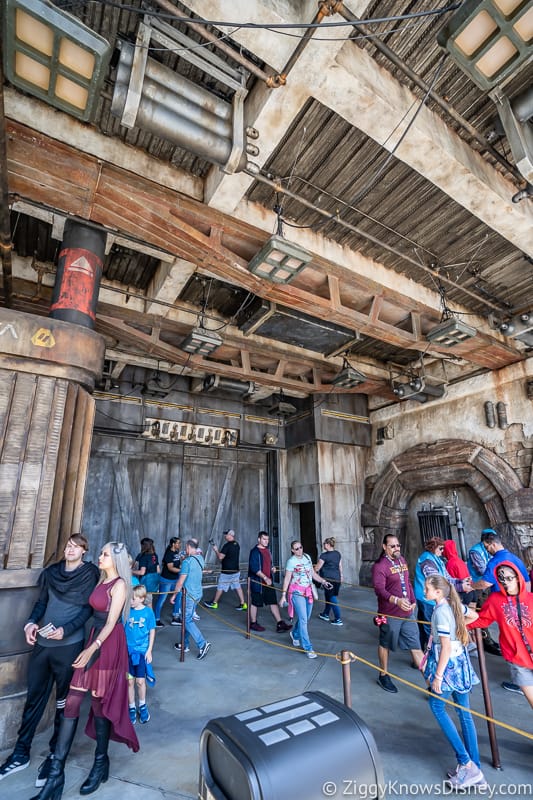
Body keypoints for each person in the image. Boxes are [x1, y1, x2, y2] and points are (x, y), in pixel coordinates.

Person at [33, 541, 139, 800]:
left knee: (100, 705)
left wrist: (91, 649)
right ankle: (56, 775)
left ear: (116, 559)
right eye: (100, 553)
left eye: (104, 554)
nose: (100, 557)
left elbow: (113, 623)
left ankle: (100, 762)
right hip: (93, 638)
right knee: (72, 703)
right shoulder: (100, 580)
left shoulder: (120, 585)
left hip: (108, 644)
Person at [0, 536, 99, 787]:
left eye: (75, 547)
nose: (69, 549)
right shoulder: (52, 572)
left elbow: (87, 609)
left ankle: (55, 756)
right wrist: (31, 622)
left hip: (68, 646)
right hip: (43, 645)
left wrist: (66, 629)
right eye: (67, 545)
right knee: (34, 698)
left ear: (84, 552)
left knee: (63, 704)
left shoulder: (89, 574)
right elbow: (42, 602)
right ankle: (20, 753)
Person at [423, 575, 486, 790]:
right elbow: (474, 615)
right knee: (464, 713)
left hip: (448, 665)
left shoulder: (441, 611)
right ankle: (474, 769)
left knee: (436, 705)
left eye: (427, 588)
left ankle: (465, 761)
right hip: (462, 662)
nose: (424, 591)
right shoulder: (454, 604)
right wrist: (460, 629)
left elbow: (445, 648)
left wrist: (438, 677)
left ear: (438, 592)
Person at [468, 562, 533, 710]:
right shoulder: (495, 600)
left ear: (517, 577)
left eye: (509, 578)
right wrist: (456, 625)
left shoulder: (531, 599)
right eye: (501, 579)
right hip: (517, 660)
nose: (505, 583)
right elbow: (482, 619)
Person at [371, 534, 423, 693]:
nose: (396, 548)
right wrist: (396, 600)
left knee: (416, 646)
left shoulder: (402, 561)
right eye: (392, 546)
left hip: (408, 612)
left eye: (398, 545)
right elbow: (379, 590)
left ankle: (432, 685)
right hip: (390, 613)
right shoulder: (380, 566)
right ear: (384, 547)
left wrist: (413, 600)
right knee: (385, 643)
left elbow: (407, 582)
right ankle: (383, 674)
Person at [414, 538, 471, 649]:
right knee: (429, 629)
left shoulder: (437, 559)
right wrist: (460, 586)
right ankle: (428, 655)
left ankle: (421, 654)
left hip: (432, 598)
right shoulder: (427, 561)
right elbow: (437, 581)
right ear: (433, 547)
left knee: (424, 626)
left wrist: (462, 581)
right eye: (440, 548)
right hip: (427, 599)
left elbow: (446, 578)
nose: (442, 551)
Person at [280, 541, 332, 658]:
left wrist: (323, 581)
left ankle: (295, 634)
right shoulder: (291, 562)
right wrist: (283, 595)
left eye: (300, 547)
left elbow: (313, 574)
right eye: (296, 549)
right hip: (296, 592)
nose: (299, 550)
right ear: (292, 550)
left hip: (308, 591)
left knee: (306, 618)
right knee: (303, 619)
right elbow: (287, 579)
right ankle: (308, 648)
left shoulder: (307, 557)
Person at [169, 539, 211, 660]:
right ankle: (185, 644)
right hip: (198, 593)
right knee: (187, 618)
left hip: (189, 595)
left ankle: (202, 644)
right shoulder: (200, 558)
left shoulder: (187, 562)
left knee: (186, 619)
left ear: (188, 547)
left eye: (186, 548)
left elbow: (180, 581)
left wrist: (173, 595)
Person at [248, 531, 291, 633]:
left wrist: (272, 568)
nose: (266, 541)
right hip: (258, 582)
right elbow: (254, 568)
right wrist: (265, 578)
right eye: (264, 539)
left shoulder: (267, 550)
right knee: (255, 602)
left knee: (273, 602)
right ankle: (253, 623)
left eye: (267, 539)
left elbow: (268, 564)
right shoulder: (254, 551)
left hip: (268, 581)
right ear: (259, 539)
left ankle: (280, 623)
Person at [125, 584, 156, 725]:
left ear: (142, 598)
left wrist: (149, 650)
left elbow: (152, 631)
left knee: (140, 681)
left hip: (142, 652)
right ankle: (131, 707)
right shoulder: (126, 612)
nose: (130, 601)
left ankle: (142, 706)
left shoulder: (148, 613)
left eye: (133, 599)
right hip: (128, 652)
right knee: (129, 681)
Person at [204, 530, 247, 611]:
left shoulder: (227, 546)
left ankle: (214, 603)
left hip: (227, 572)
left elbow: (220, 557)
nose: (225, 536)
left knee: (220, 586)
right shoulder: (236, 544)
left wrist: (216, 550)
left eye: (226, 534)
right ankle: (243, 603)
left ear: (230, 535)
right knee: (237, 586)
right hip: (236, 570)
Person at [153, 537, 181, 627]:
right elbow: (170, 568)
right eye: (178, 543)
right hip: (166, 580)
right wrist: (182, 571)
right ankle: (156, 619)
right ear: (173, 544)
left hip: (175, 580)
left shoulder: (176, 553)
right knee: (162, 599)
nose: (179, 545)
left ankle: (175, 617)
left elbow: (177, 564)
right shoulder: (169, 553)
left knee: (179, 595)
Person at [316, 537, 344, 625]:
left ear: (328, 545)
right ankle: (325, 614)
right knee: (329, 597)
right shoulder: (337, 554)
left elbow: (317, 568)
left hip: (328, 579)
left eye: (324, 543)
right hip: (337, 578)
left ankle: (338, 619)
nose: (323, 545)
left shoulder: (324, 556)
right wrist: (341, 576)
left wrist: (310, 569)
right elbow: (340, 566)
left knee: (332, 598)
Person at [443, 540, 476, 607]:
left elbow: (450, 583)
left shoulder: (450, 564)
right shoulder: (459, 560)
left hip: (463, 593)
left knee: (461, 615)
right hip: (471, 591)